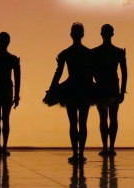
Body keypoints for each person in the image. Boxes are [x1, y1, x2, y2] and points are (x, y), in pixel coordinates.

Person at [43, 22, 95, 164]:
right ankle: (81, 153)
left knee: (73, 123)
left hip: (71, 88)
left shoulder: (65, 53)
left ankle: (75, 153)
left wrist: (52, 88)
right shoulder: (89, 53)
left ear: (71, 35)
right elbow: (92, 73)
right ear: (82, 35)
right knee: (83, 122)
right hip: (84, 88)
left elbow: (58, 73)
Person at [92, 24, 128, 156]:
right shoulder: (118, 52)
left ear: (101, 34)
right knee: (112, 117)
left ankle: (106, 147)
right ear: (112, 34)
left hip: (102, 87)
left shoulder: (95, 52)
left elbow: (92, 71)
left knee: (104, 118)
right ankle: (110, 147)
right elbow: (124, 73)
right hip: (112, 87)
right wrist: (122, 91)